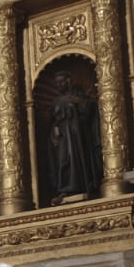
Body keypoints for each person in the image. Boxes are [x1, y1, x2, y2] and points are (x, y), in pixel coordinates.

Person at [49, 70, 100, 203]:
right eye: (57, 83)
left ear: (68, 81)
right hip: (63, 136)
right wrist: (55, 131)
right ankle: (65, 188)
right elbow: (53, 121)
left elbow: (89, 111)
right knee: (63, 160)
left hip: (76, 133)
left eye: (62, 82)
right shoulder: (56, 102)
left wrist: (79, 102)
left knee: (76, 158)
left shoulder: (78, 97)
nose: (59, 85)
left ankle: (82, 186)